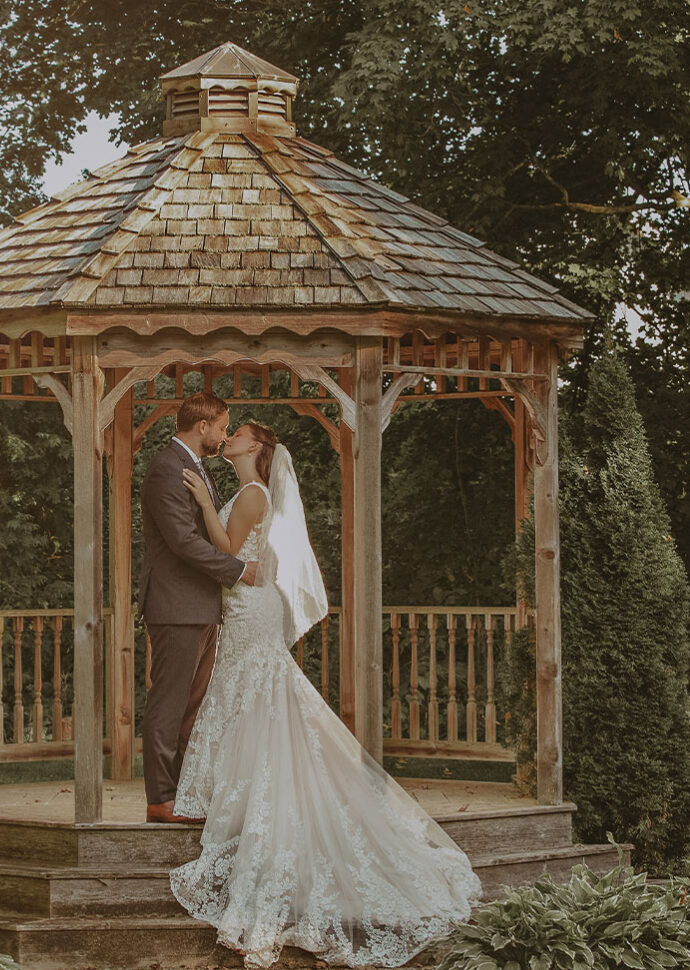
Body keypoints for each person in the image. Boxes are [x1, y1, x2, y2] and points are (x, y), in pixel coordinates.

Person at [172, 421, 482, 968]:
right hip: (244, 606)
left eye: (238, 433)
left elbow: (225, 548)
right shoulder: (249, 492)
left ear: (256, 448)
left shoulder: (249, 493)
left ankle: (257, 787)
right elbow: (241, 558)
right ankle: (251, 781)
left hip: (249, 608)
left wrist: (199, 504)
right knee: (250, 692)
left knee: (251, 690)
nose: (231, 437)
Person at [139, 393, 258, 824]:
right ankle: (161, 800)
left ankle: (185, 794)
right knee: (168, 706)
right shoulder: (166, 469)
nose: (225, 435)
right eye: (224, 427)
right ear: (203, 426)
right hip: (175, 607)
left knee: (192, 709)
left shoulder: (194, 467)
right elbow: (183, 542)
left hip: (202, 607)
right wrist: (239, 570)